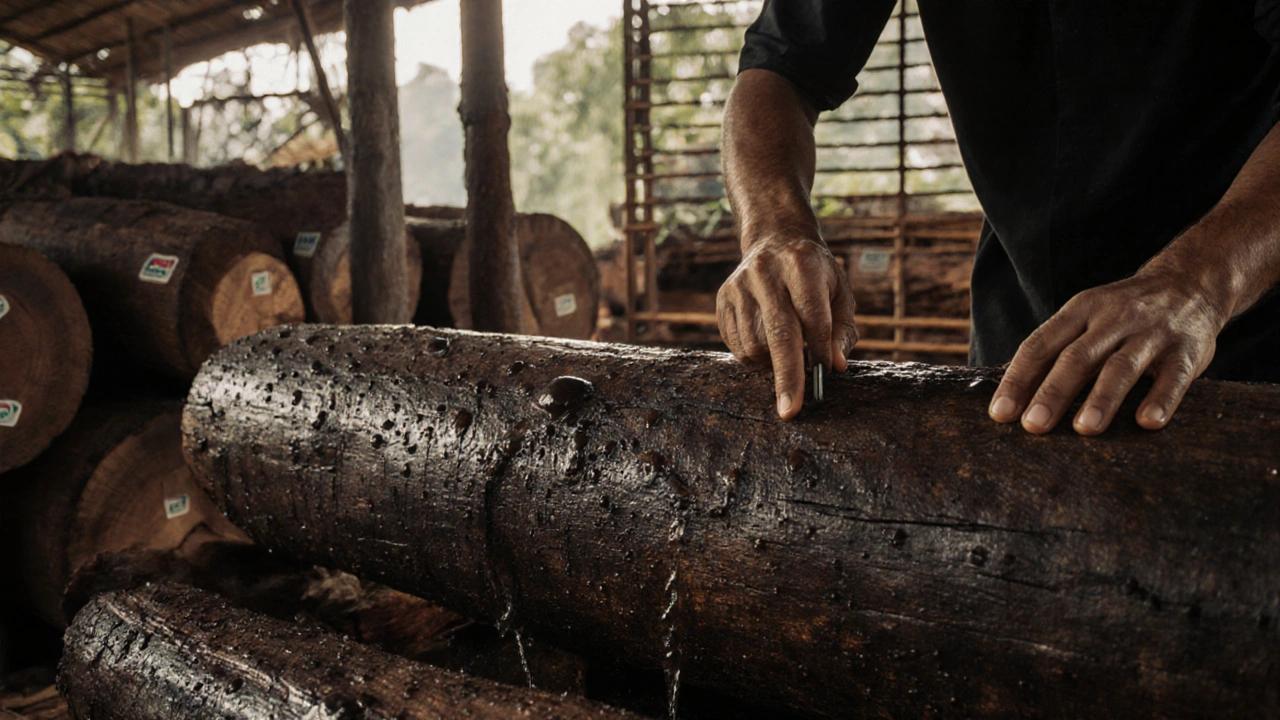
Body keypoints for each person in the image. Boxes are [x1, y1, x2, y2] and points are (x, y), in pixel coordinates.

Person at [718, 1, 1280, 434]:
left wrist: (1199, 285)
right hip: (1020, 336)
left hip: (1245, 326)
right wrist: (772, 227)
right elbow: (779, 69)